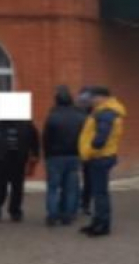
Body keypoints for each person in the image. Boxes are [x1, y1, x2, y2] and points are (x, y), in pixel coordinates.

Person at [78, 87, 126, 237]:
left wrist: (91, 151)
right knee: (99, 192)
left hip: (99, 157)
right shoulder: (105, 111)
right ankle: (97, 222)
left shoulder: (106, 113)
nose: (91, 100)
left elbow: (101, 138)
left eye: (93, 97)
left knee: (100, 193)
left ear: (102, 97)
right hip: (102, 156)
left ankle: (102, 226)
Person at [43, 85, 87, 226]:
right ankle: (67, 215)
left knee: (53, 188)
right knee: (71, 188)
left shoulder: (52, 116)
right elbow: (85, 137)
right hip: (74, 156)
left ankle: (52, 215)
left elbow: (46, 138)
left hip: (55, 157)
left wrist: (47, 155)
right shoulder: (81, 117)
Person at [0, 118, 39, 223]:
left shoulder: (26, 122)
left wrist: (35, 154)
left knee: (17, 186)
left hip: (18, 158)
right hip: (1, 158)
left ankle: (15, 211)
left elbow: (34, 139)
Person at [75, 86, 95, 215]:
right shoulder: (94, 115)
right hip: (88, 151)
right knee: (88, 179)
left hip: (77, 150)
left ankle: (79, 203)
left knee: (77, 178)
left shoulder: (76, 113)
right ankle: (84, 203)